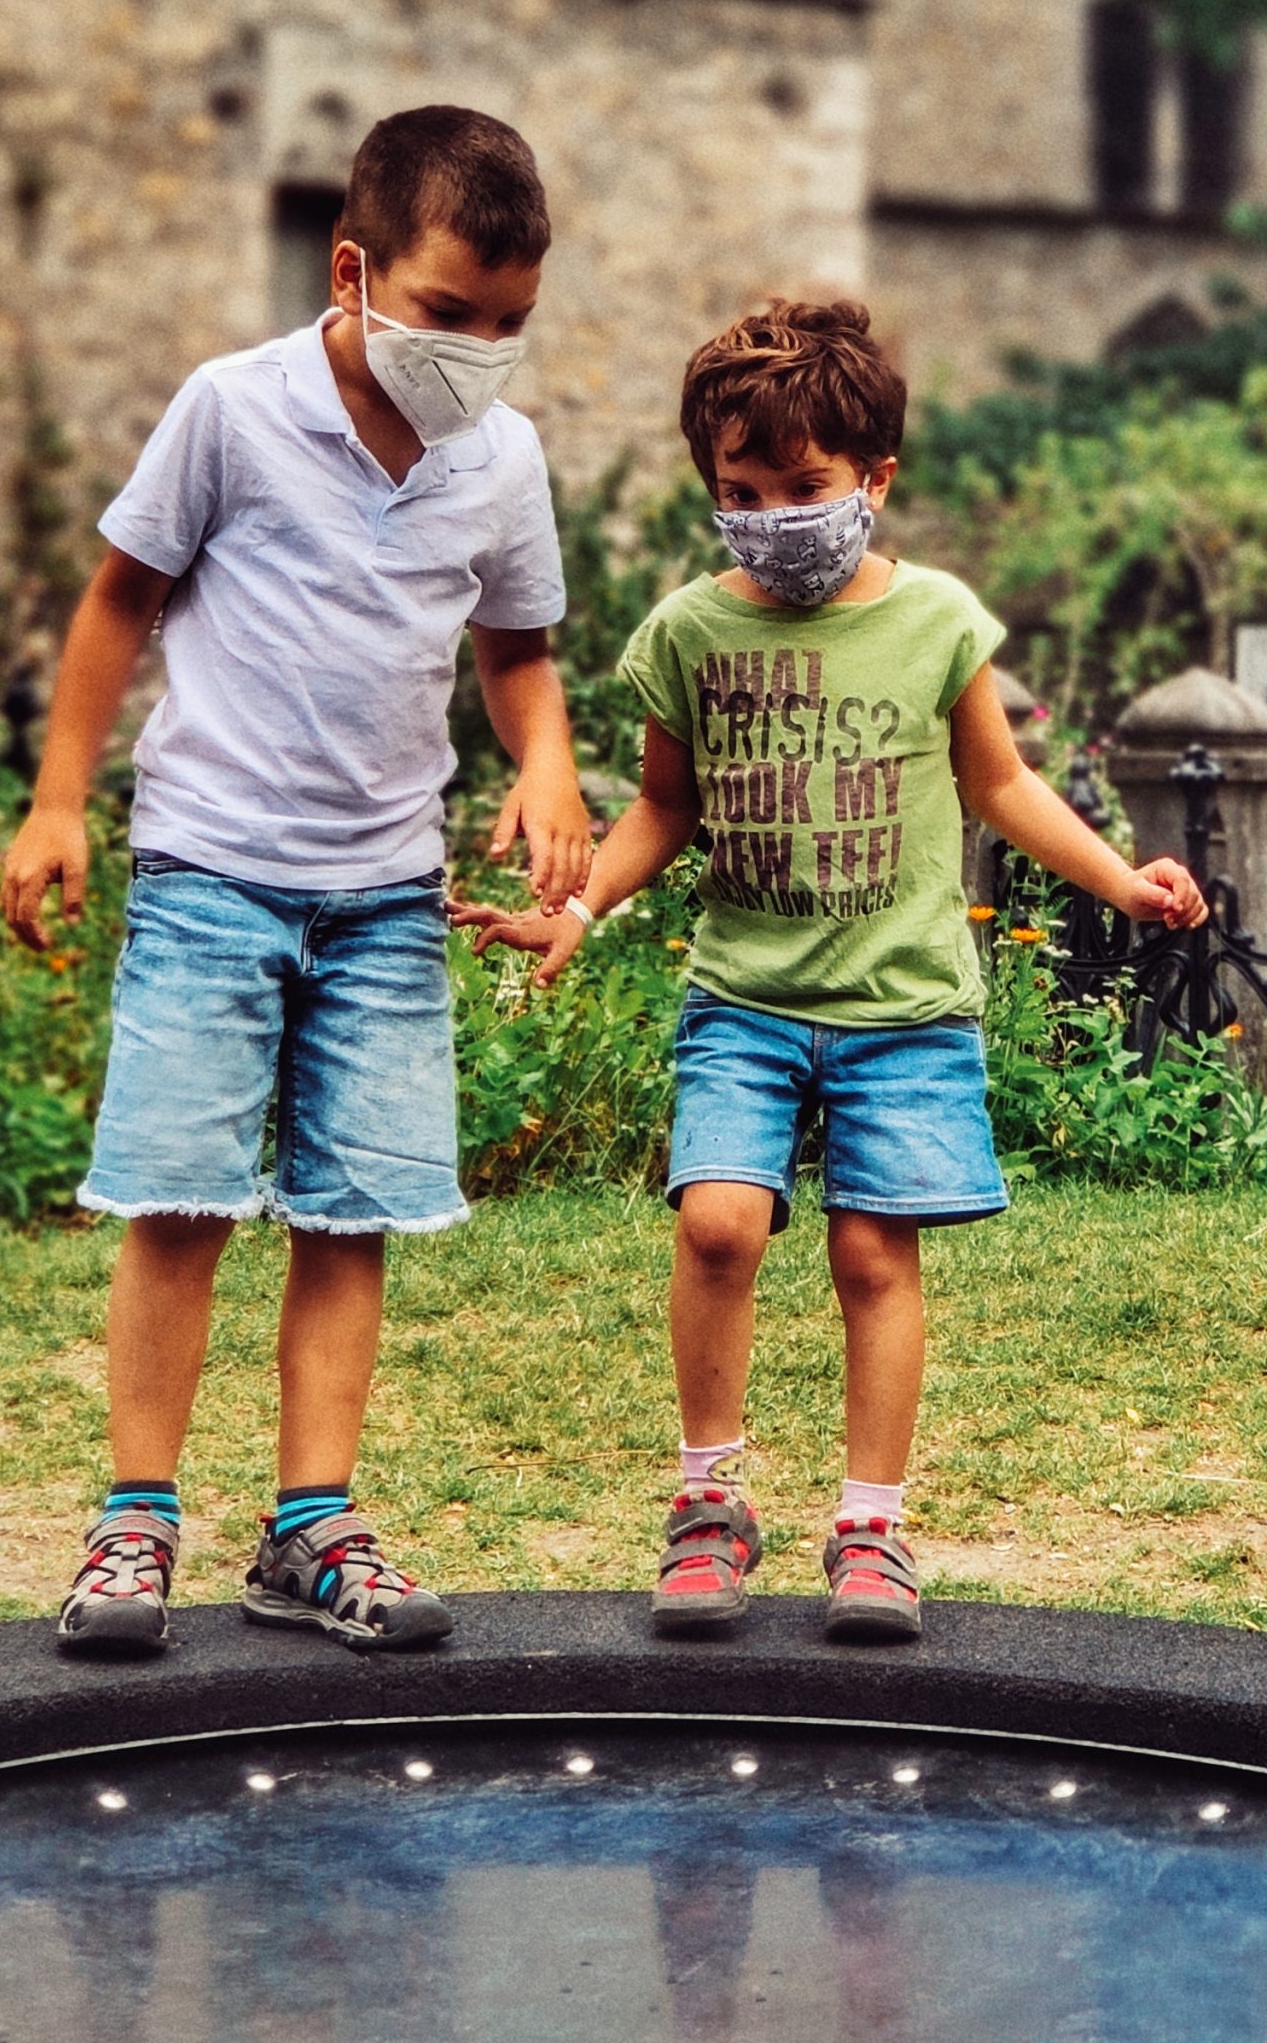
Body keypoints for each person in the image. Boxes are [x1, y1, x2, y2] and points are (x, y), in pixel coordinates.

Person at [464, 298, 1205, 1641]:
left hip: (903, 1008)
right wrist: (578, 910)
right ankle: (709, 1504)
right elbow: (663, 813)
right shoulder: (690, 633)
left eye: (802, 488)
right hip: (744, 996)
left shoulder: (937, 622)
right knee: (717, 1224)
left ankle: (871, 1526)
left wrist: (1119, 875)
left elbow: (1003, 787)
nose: (771, 514)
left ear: (873, 480)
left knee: (874, 1256)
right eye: (739, 492)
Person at [0, 106, 593, 1657]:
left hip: (387, 892)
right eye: (451, 315)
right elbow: (119, 596)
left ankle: (311, 1527)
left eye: (510, 325)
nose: (477, 352)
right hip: (213, 868)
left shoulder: (502, 456)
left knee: (354, 1211)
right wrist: (60, 801)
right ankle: (135, 1520)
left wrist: (545, 763)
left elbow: (517, 655)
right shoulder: (233, 408)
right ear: (354, 269)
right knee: (181, 1199)